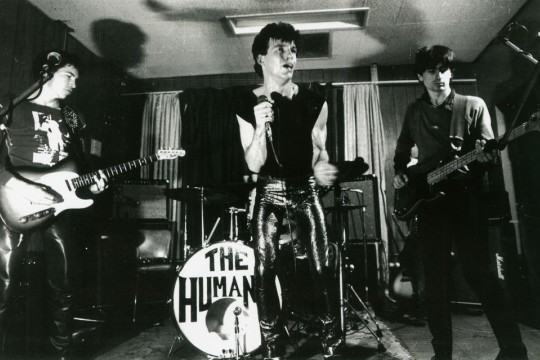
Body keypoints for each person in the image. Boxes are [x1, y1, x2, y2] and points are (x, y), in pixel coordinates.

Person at [392, 45, 528, 360]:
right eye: (431, 71)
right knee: (434, 282)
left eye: (443, 69)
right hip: (428, 205)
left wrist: (483, 156)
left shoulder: (473, 105)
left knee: (481, 274)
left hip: (467, 199)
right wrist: (400, 172)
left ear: (451, 72)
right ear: (420, 76)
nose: (438, 76)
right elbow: (402, 149)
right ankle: (442, 355)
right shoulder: (414, 112)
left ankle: (513, 350)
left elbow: (490, 156)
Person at [235, 22, 341, 359]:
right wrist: (260, 126)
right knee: (263, 269)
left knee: (322, 264)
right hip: (268, 192)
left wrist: (323, 165)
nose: (290, 56)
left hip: (304, 190)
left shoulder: (314, 102)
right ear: (260, 57)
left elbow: (319, 150)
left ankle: (330, 339)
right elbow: (254, 164)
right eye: (281, 49)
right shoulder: (245, 103)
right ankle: (273, 346)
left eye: (294, 50)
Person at [0, 50, 107, 359]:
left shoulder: (74, 118)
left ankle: (60, 354)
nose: (74, 84)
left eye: (77, 79)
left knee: (65, 284)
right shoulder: (12, 106)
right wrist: (18, 184)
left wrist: (94, 183)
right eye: (68, 76)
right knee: (4, 285)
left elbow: (81, 165)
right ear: (46, 74)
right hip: (13, 202)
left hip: (59, 203)